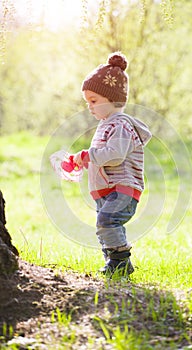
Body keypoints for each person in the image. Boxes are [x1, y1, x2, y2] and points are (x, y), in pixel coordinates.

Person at [74, 52, 151, 276]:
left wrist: (89, 155)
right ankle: (113, 264)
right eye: (88, 102)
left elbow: (115, 155)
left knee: (107, 221)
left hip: (123, 188)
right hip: (107, 189)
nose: (90, 107)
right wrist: (84, 160)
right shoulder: (107, 124)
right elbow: (103, 157)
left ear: (112, 99)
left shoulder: (120, 125)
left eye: (94, 101)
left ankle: (120, 265)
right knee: (105, 225)